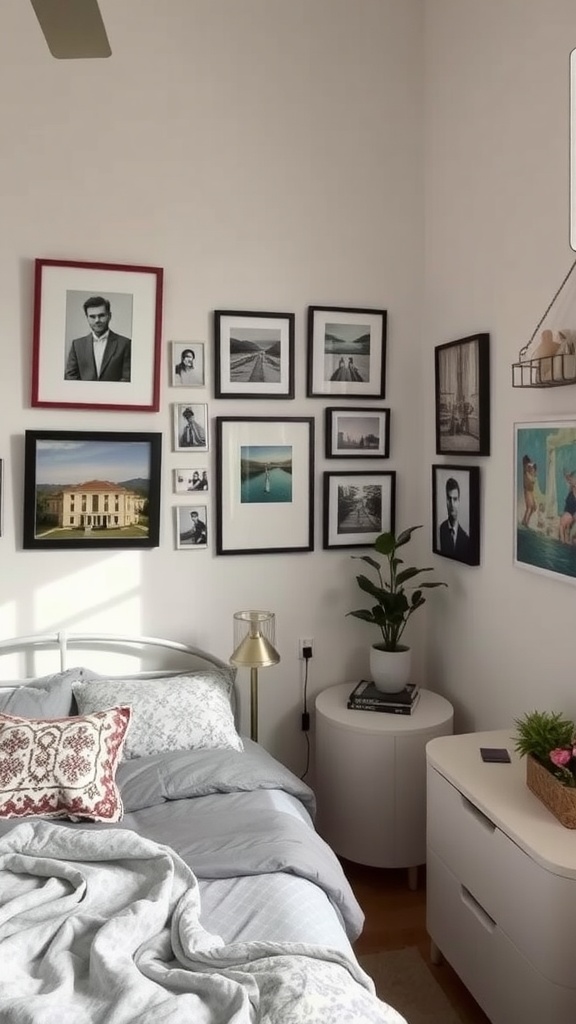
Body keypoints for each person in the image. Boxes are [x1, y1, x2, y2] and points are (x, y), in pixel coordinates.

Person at [65, 296, 131, 381]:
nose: (97, 320)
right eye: (92, 317)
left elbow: (127, 378)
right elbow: (70, 376)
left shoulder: (125, 344)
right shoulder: (77, 345)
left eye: (101, 315)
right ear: (87, 318)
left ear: (109, 316)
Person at [439, 477, 470, 558]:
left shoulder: (466, 538)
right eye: (449, 499)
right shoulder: (440, 530)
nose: (452, 504)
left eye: (455, 499)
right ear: (446, 501)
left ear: (459, 501)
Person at [559, 468, 576, 543]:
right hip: (570, 511)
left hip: (570, 511)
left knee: (562, 526)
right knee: (566, 528)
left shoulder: (572, 488)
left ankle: (564, 542)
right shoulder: (571, 487)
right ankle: (565, 541)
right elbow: (568, 478)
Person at [521, 455, 537, 528]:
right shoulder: (526, 470)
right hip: (527, 491)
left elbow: (533, 478)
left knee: (533, 508)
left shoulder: (529, 469)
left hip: (530, 491)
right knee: (530, 507)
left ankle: (525, 521)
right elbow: (531, 479)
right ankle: (525, 522)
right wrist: (531, 467)